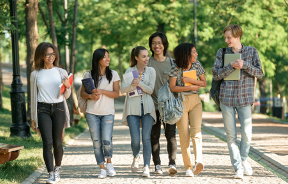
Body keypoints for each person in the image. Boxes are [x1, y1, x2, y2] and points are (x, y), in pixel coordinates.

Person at [212, 24, 263, 179]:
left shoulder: (251, 51)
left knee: (247, 134)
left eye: (229, 37)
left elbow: (259, 73)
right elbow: (215, 74)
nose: (226, 40)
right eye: (225, 37)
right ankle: (237, 168)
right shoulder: (222, 52)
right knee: (231, 136)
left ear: (238, 36)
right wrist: (230, 67)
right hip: (226, 98)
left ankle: (244, 159)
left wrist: (245, 65)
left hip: (245, 99)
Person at [30, 42, 71, 184]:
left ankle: (57, 168)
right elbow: (33, 97)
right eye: (47, 54)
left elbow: (66, 96)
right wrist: (33, 117)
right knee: (47, 143)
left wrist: (67, 87)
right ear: (41, 55)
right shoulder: (35, 74)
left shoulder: (61, 72)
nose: (51, 57)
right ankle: (51, 173)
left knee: (58, 143)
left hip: (59, 108)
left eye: (53, 54)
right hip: (42, 109)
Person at [80, 48, 120, 179]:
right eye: (105, 57)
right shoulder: (88, 75)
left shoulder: (113, 74)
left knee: (107, 140)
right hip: (92, 113)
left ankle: (109, 164)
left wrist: (102, 91)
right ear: (98, 60)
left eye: (108, 56)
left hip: (108, 112)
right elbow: (82, 93)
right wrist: (91, 96)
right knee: (96, 142)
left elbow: (116, 93)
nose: (108, 59)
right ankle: (102, 168)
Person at [169, 43, 207, 177]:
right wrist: (187, 87)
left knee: (197, 132)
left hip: (195, 101)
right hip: (181, 102)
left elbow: (204, 83)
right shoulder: (175, 68)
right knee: (184, 135)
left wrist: (191, 80)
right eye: (194, 52)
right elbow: (172, 87)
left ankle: (198, 161)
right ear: (186, 54)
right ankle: (188, 167)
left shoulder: (197, 65)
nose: (196, 54)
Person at [121, 46, 156, 177]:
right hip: (132, 107)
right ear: (136, 58)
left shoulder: (151, 71)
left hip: (147, 107)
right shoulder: (129, 70)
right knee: (135, 140)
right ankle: (136, 156)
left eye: (147, 56)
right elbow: (123, 90)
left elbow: (150, 90)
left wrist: (140, 83)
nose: (147, 58)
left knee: (146, 139)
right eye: (144, 56)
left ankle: (146, 167)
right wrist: (133, 84)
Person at [148, 32, 177, 175]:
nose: (156, 45)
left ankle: (172, 163)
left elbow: (177, 84)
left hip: (168, 107)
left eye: (159, 42)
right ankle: (157, 165)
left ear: (164, 44)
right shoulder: (147, 63)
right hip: (152, 106)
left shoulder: (172, 63)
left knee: (170, 135)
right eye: (153, 43)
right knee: (154, 136)